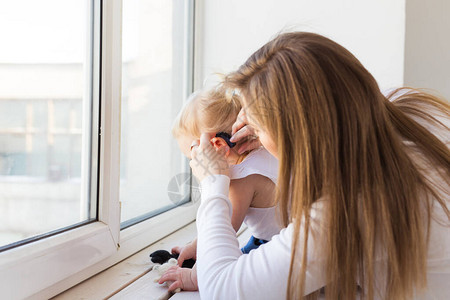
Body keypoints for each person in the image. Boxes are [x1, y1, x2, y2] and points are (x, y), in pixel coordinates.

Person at [161, 32, 450, 299]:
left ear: (296, 134)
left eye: (257, 127)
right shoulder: (408, 106)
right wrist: (272, 130)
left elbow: (222, 289)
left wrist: (213, 182)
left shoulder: (346, 211)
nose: (245, 128)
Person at [162, 85, 282, 291]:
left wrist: (195, 276)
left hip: (274, 249)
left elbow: (223, 234)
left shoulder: (241, 180)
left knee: (236, 269)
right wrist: (195, 246)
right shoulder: (262, 153)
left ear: (216, 145)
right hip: (279, 238)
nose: (194, 166)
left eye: (194, 157)